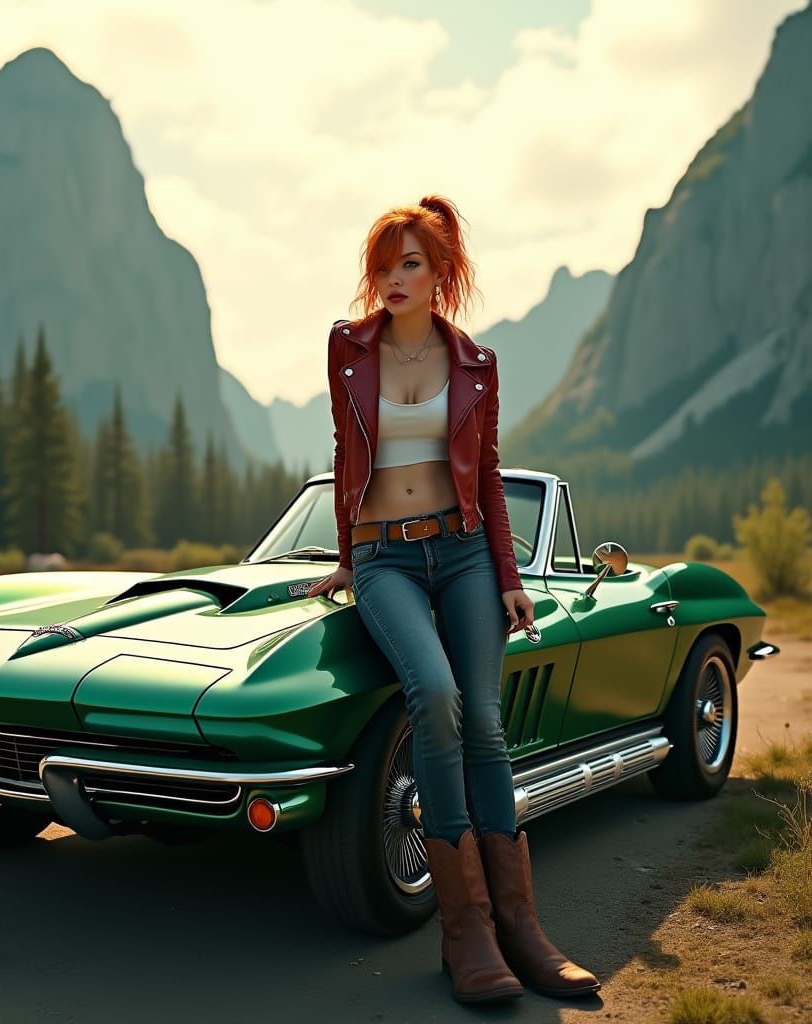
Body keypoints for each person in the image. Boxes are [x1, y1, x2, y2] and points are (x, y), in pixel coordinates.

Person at [307, 195, 600, 1005]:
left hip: (465, 551)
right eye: (383, 264)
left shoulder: (476, 362)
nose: (392, 278)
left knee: (483, 720)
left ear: (441, 275)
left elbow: (490, 478)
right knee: (433, 698)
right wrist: (347, 557)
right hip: (385, 560)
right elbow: (345, 451)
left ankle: (522, 928)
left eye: (410, 264)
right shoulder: (347, 349)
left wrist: (509, 576)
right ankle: (464, 931)